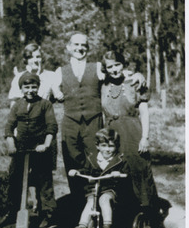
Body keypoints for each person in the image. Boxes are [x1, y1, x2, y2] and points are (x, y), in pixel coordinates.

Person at [53, 32, 146, 212]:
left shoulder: (96, 67)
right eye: (76, 45)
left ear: (87, 48)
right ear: (68, 48)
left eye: (83, 45)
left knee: (98, 162)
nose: (80, 48)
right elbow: (48, 88)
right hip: (70, 123)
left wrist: (138, 75)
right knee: (73, 164)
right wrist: (55, 91)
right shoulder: (59, 71)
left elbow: (117, 72)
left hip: (93, 122)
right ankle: (79, 208)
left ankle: (101, 207)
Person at [101, 50, 171, 228]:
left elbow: (145, 112)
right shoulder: (103, 85)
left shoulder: (135, 82)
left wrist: (145, 138)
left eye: (117, 65)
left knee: (139, 171)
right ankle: (125, 216)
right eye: (110, 67)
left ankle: (150, 217)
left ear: (123, 64)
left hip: (132, 132)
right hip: (112, 135)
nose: (114, 69)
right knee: (117, 172)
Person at [0, 72, 58, 228]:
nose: (30, 90)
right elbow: (9, 127)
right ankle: (12, 212)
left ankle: (48, 215)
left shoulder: (45, 104)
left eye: (33, 87)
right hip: (21, 148)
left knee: (43, 181)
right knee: (14, 179)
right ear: (21, 89)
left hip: (39, 148)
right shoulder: (18, 105)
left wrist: (45, 144)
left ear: (38, 87)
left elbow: (52, 126)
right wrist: (11, 144)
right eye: (26, 87)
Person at [69, 128, 131, 228]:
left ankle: (107, 227)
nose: (107, 149)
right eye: (104, 145)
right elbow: (85, 170)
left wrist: (119, 173)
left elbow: (127, 173)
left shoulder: (120, 160)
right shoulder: (92, 158)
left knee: (104, 199)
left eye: (111, 146)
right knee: (91, 202)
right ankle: (82, 226)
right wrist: (77, 172)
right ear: (98, 146)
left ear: (116, 146)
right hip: (94, 188)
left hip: (111, 189)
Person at [8, 42, 63, 107]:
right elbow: (13, 104)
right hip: (24, 115)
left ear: (42, 58)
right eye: (31, 57)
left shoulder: (51, 76)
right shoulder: (19, 77)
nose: (35, 60)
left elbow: (58, 97)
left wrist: (58, 94)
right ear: (26, 60)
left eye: (38, 57)